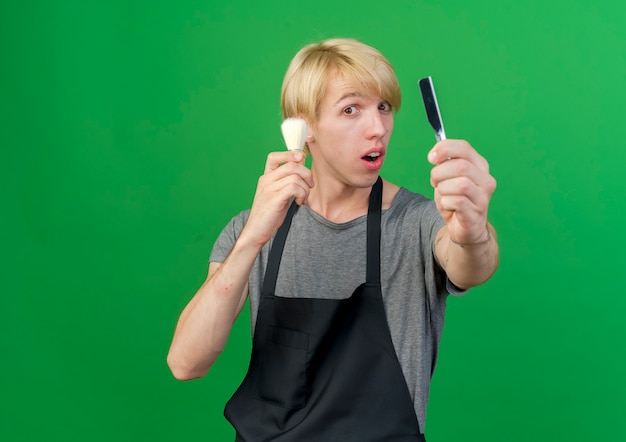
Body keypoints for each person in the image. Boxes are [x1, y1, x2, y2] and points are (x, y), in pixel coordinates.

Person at [167, 37, 499, 441]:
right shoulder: (251, 231)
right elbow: (186, 363)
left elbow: (472, 262)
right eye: (350, 110)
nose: (377, 128)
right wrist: (254, 236)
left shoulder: (418, 222)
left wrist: (471, 229)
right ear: (304, 128)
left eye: (383, 107)